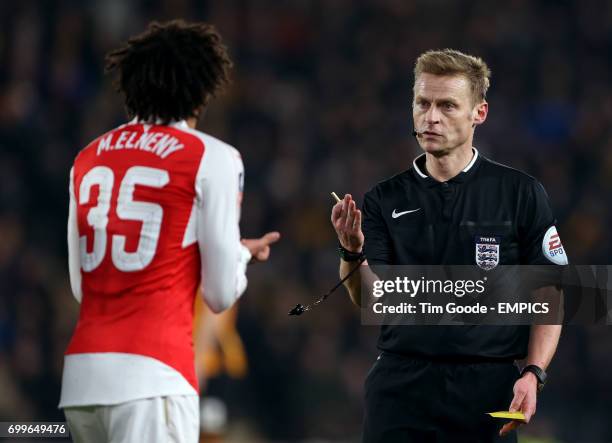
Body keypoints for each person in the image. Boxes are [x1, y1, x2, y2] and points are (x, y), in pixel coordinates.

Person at [59, 20, 280, 443]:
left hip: (83, 380)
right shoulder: (213, 157)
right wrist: (239, 257)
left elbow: (81, 286)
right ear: (202, 90)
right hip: (153, 378)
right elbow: (218, 294)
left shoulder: (86, 158)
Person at [331, 49, 566, 442]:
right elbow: (371, 300)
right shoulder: (383, 200)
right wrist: (352, 251)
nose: (431, 117)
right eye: (422, 103)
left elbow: (552, 293)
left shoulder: (520, 194)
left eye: (447, 106)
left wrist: (533, 373)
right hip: (401, 385)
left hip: (488, 387)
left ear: (480, 113)